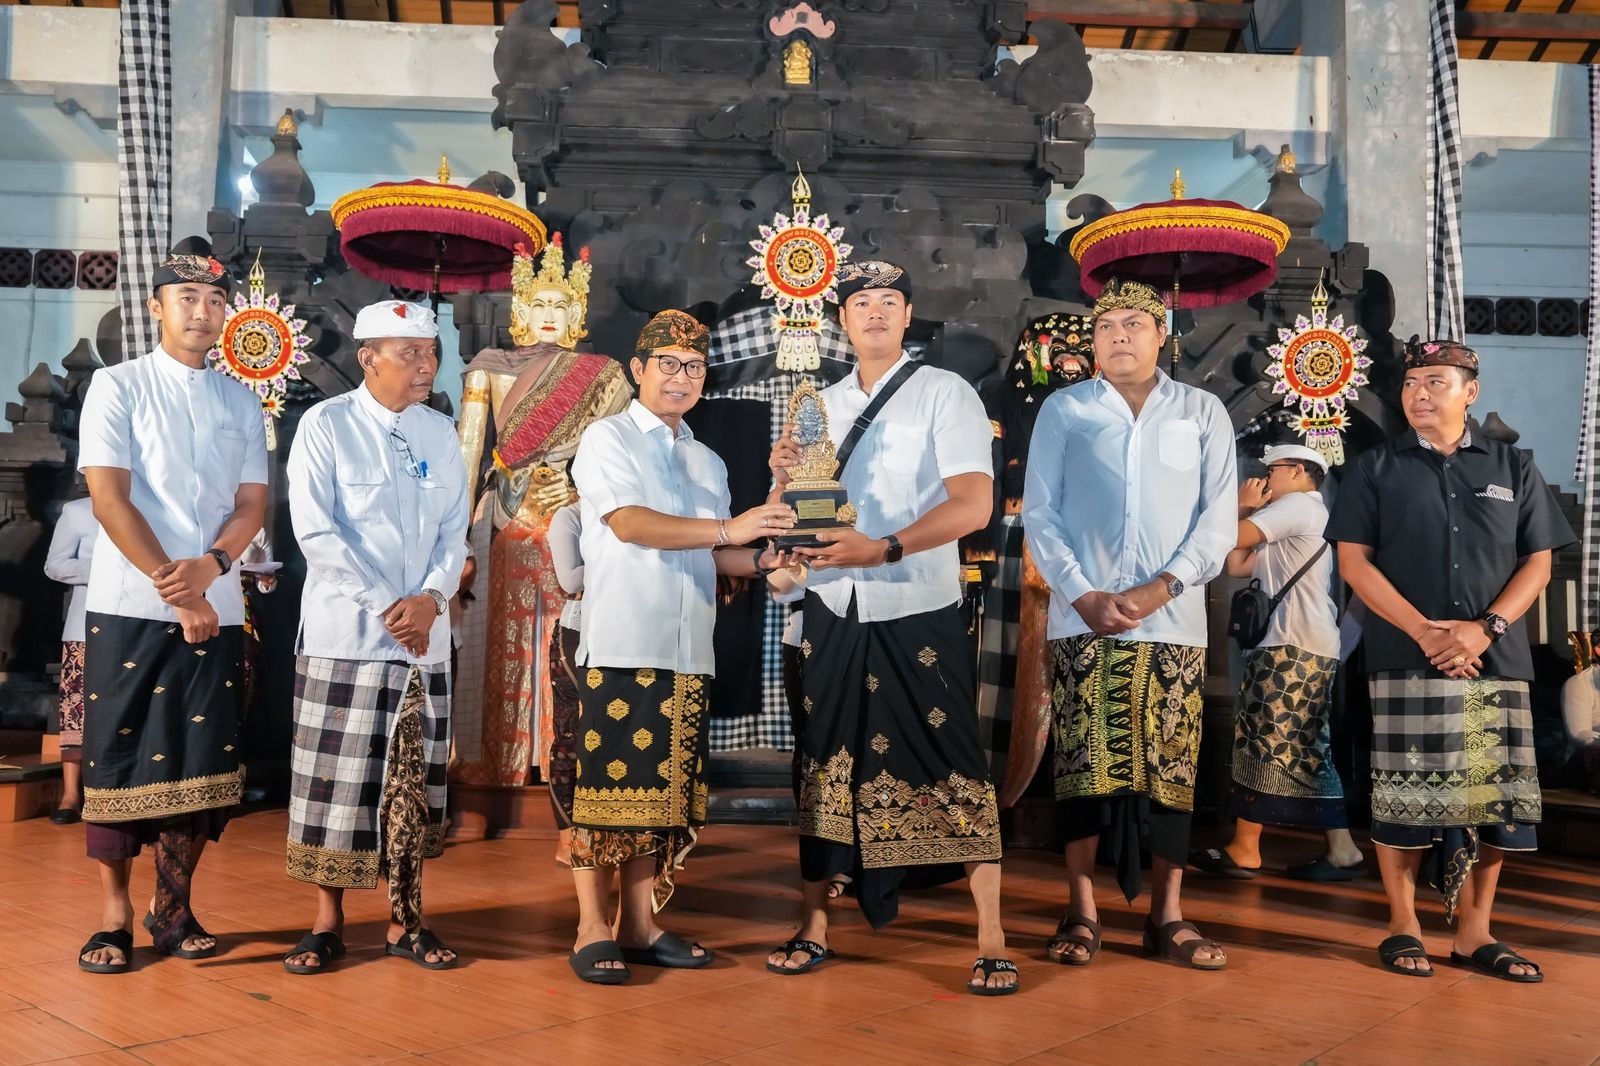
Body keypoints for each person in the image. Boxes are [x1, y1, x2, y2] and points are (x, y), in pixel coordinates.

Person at [765, 260, 1014, 996]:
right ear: (841, 320)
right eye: (860, 303)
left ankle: (992, 934)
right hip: (831, 607)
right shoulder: (816, 402)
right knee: (822, 764)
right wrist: (778, 477)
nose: (873, 313)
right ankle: (814, 924)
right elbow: (789, 514)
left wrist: (886, 546)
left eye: (888, 302)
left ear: (908, 317)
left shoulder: (946, 393)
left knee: (952, 761)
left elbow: (975, 505)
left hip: (916, 603)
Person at [1327, 337, 1573, 982]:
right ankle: (1403, 925)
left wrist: (1484, 630)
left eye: (1437, 381)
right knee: (1405, 796)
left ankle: (1475, 931)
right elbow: (1354, 563)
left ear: (1471, 390)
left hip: (1494, 657)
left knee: (1495, 801)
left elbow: (1539, 561)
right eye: (1411, 384)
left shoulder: (1513, 467)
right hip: (1405, 656)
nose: (1420, 394)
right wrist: (1427, 633)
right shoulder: (1375, 469)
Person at [566, 309, 795, 984]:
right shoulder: (606, 440)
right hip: (624, 640)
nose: (680, 376)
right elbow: (632, 525)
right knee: (607, 797)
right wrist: (733, 526)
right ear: (637, 371)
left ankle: (639, 924)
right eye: (665, 363)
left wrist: (765, 560)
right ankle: (590, 928)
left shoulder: (706, 458)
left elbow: (717, 556)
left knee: (662, 798)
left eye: (693, 367)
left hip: (689, 644)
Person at [1022, 277, 1235, 971]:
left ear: (1161, 334)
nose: (1119, 333)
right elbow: (1041, 514)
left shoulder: (1200, 412)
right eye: (1106, 323)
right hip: (1084, 619)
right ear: (1092, 339)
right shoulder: (1065, 410)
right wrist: (1082, 593)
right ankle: (1080, 908)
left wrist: (1161, 587)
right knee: (1081, 766)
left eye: (1134, 324)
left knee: (1172, 769)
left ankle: (1166, 915)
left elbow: (1219, 518)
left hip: (1172, 620)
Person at [75, 250, 269, 973]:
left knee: (200, 761)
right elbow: (110, 498)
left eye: (214, 300)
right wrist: (176, 585)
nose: (201, 311)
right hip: (132, 602)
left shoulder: (240, 402)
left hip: (215, 601)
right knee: (118, 759)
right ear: (155, 307)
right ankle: (114, 915)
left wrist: (214, 567)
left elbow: (252, 503)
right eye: (185, 297)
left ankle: (175, 905)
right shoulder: (116, 386)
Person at [281, 300, 470, 974]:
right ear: (369, 358)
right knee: (337, 783)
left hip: (425, 638)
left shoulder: (441, 432)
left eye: (432, 353)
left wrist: (432, 598)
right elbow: (316, 533)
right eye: (410, 353)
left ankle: (405, 920)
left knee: (415, 782)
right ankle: (326, 921)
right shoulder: (325, 426)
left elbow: (456, 530)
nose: (426, 366)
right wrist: (392, 605)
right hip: (348, 635)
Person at [452, 236, 631, 790]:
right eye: (541, 305)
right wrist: (453, 538)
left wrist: (576, 491)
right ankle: (501, 756)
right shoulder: (490, 367)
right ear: (522, 311)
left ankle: (563, 755)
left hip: (568, 513)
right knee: (504, 633)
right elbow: (468, 448)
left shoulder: (602, 374)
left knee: (564, 632)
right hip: (506, 513)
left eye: (562, 306)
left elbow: (614, 454)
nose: (551, 316)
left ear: (576, 313)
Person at [1189, 444, 1364, 881]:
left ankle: (1248, 848)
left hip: (1294, 645)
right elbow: (1235, 565)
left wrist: (1242, 506)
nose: (1266, 475)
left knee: (1271, 740)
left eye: (1274, 469)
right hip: (1292, 643)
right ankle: (1337, 849)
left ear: (1301, 472)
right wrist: (1248, 512)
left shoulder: (1299, 507)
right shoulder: (1288, 514)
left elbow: (1229, 538)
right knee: (1295, 745)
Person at [44, 483, 98, 824]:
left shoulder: (149, 507)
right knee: (76, 709)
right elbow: (54, 566)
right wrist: (104, 571)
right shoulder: (77, 512)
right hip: (84, 628)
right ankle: (69, 795)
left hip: (136, 624)